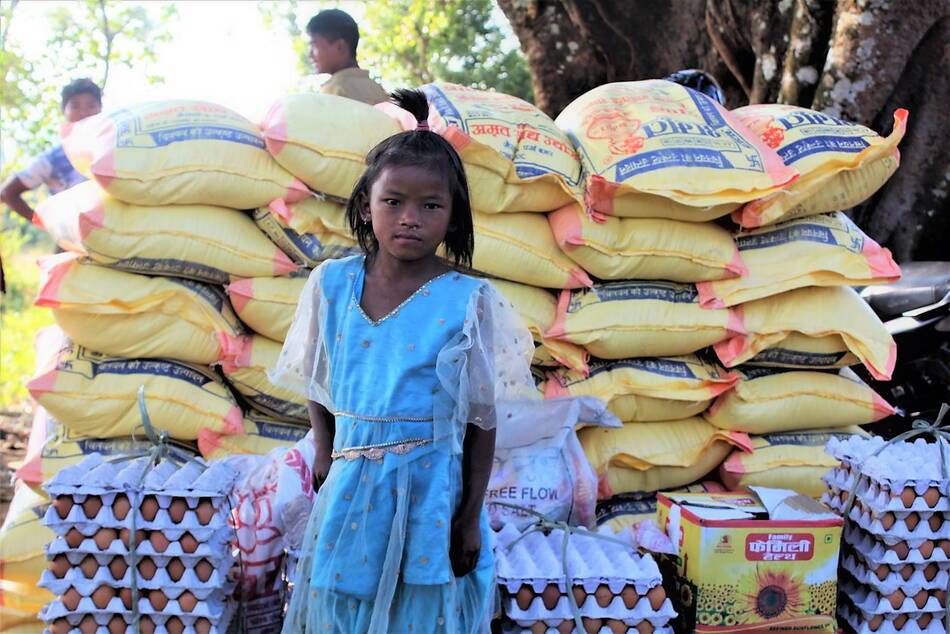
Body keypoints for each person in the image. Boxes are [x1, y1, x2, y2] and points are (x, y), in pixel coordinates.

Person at [270, 89, 536, 633]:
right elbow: (320, 381)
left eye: (430, 206)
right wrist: (324, 448)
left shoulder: (468, 299)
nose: (409, 219)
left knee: (420, 608)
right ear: (367, 203)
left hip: (431, 491)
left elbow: (480, 420)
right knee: (344, 600)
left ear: (452, 214)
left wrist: (467, 519)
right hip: (350, 486)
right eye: (393, 202)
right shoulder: (331, 285)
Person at [0, 78, 102, 222]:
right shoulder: (54, 159)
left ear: (100, 109)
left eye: (91, 105)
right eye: (75, 106)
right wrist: (45, 225)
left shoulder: (113, 151)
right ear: (64, 111)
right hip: (72, 242)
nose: (84, 112)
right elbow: (7, 193)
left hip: (121, 240)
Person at [306, 8, 389, 106]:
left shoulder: (333, 90)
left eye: (314, 45)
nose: (310, 55)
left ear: (340, 47)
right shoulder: (378, 90)